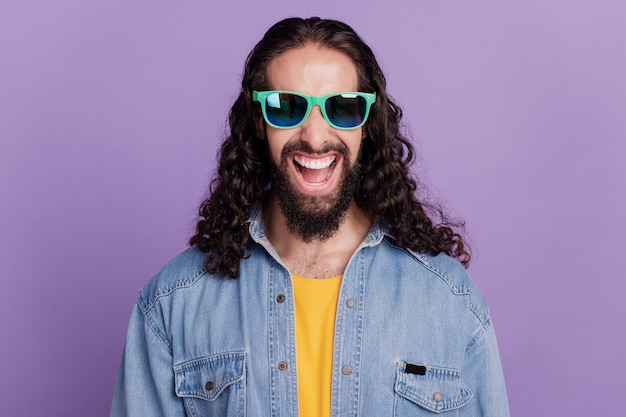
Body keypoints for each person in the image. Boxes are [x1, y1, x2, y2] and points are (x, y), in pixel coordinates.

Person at [111, 17, 510, 417]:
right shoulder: (172, 305)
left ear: (367, 123)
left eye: (342, 108)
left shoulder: (450, 302)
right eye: (286, 107)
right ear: (258, 120)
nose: (316, 137)